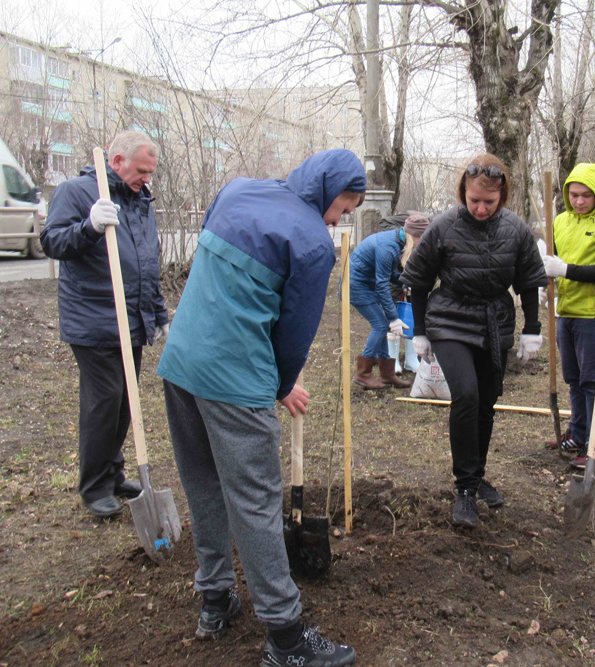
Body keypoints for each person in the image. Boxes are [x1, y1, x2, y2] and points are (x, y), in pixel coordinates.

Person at [156, 149, 364, 666]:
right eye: (345, 206)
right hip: (233, 379)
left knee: (204, 485)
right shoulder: (313, 243)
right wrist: (283, 383)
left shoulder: (237, 188)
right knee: (255, 503)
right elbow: (294, 337)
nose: (340, 219)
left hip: (181, 364)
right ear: (327, 189)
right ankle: (286, 638)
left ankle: (215, 601)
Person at [401, 154, 546, 529]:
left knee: (486, 402)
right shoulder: (444, 227)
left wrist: (533, 328)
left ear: (503, 196)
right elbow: (418, 281)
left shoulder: (515, 230)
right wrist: (418, 330)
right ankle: (464, 489)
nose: (481, 209)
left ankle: (478, 474)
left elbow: (529, 281)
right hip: (449, 319)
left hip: (494, 323)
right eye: (474, 200)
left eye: (490, 202)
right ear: (463, 193)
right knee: (466, 395)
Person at [40, 131, 168, 519]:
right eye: (142, 170)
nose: (147, 179)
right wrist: (89, 227)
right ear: (116, 161)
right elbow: (52, 242)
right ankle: (94, 487)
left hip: (132, 319)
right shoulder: (77, 192)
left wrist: (157, 312)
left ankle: (113, 475)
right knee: (104, 403)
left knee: (124, 403)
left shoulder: (139, 199)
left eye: (151, 172)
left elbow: (147, 261)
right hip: (95, 319)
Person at [541, 163, 595, 471]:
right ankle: (578, 434)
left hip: (594, 313)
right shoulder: (561, 221)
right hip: (565, 310)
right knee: (574, 379)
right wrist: (547, 283)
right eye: (574, 195)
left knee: (593, 381)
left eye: (586, 195)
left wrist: (565, 270)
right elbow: (551, 261)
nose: (579, 201)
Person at [347, 213, 429, 389]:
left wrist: (406, 282)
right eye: (422, 240)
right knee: (381, 324)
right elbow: (382, 282)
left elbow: (388, 274)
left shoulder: (397, 242)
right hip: (356, 286)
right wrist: (393, 317)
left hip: (366, 284)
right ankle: (363, 374)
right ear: (414, 236)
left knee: (381, 324)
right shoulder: (388, 247)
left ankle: (387, 374)